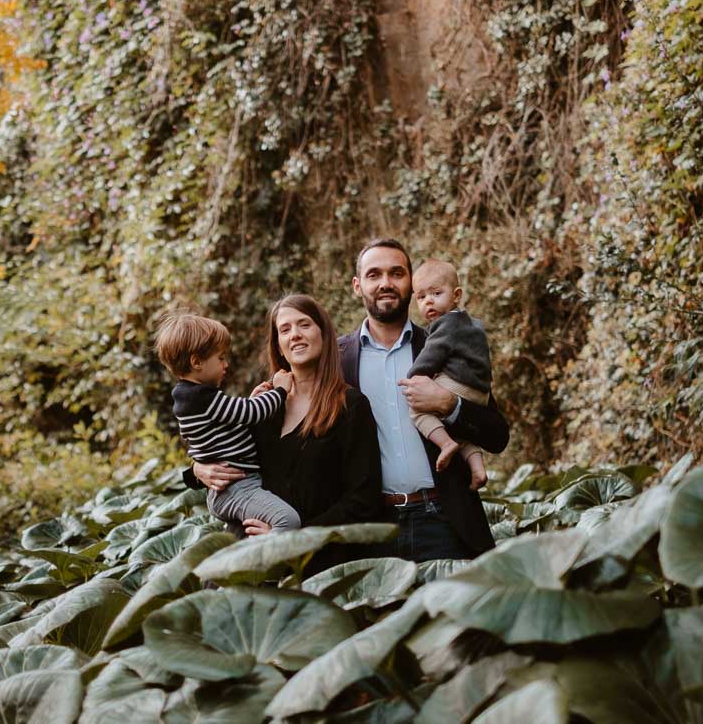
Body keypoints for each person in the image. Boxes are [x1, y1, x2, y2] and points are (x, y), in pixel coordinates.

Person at [184, 295, 383, 570]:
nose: (295, 335)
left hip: (313, 563)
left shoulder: (349, 405)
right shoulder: (263, 403)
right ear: (277, 344)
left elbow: (363, 499)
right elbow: (219, 447)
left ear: (323, 334)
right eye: (285, 329)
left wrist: (292, 537)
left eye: (304, 325)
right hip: (245, 558)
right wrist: (196, 470)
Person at [342, 238, 508, 560]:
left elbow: (498, 434)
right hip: (373, 529)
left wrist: (450, 405)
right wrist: (212, 462)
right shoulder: (337, 360)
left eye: (397, 273)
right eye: (374, 275)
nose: (386, 283)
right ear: (357, 285)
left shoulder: (443, 342)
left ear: (411, 283)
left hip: (445, 520)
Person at [155, 310, 303, 533]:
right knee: (288, 522)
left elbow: (234, 420)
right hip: (237, 488)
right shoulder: (202, 397)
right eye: (220, 358)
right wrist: (280, 390)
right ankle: (267, 551)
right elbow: (251, 413)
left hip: (232, 489)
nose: (226, 365)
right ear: (196, 362)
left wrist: (254, 401)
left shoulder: (191, 399)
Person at [406, 258, 491, 488]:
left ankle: (445, 444)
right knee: (462, 434)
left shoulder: (446, 325)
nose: (429, 302)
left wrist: (416, 376)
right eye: (422, 297)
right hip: (479, 391)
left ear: (456, 295)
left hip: (458, 384)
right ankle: (478, 469)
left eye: (436, 293)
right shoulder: (471, 324)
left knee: (416, 409)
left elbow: (431, 355)